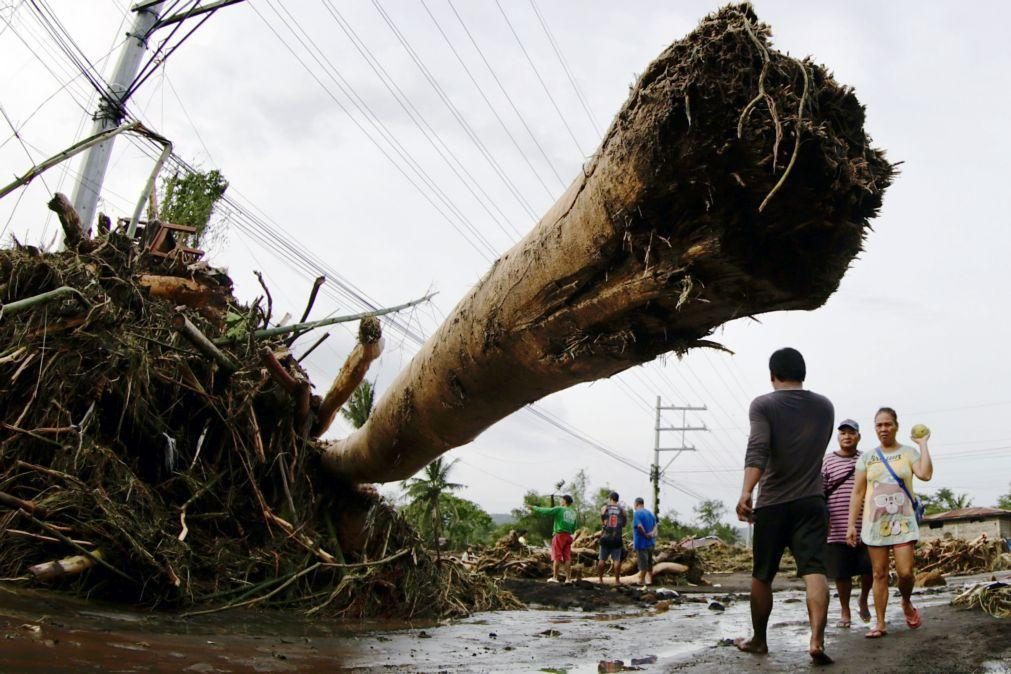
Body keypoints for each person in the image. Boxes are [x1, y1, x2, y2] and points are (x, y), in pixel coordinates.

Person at [734, 347, 835, 665]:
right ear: (803, 373)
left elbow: (758, 448)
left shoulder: (763, 404)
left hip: (774, 502)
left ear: (772, 375)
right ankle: (817, 640)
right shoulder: (825, 407)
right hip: (812, 501)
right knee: (815, 570)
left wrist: (746, 491)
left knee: (762, 574)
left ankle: (759, 640)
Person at [846, 407, 933, 639]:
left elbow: (925, 474)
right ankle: (881, 623)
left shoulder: (908, 452)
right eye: (879, 425)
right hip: (874, 523)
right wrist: (851, 524)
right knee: (879, 574)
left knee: (905, 573)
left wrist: (923, 444)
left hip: (903, 522)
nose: (883, 429)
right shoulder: (867, 458)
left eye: (887, 424)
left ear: (896, 426)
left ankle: (905, 601)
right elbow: (857, 493)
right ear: (874, 428)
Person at [822, 418, 873, 628]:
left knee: (869, 568)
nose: (847, 436)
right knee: (841, 573)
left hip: (866, 524)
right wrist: (823, 520)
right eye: (843, 433)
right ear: (838, 437)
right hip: (836, 526)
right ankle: (845, 610)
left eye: (851, 433)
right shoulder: (826, 460)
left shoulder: (868, 459)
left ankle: (863, 599)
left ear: (858, 437)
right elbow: (820, 491)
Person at [528, 495, 578, 583]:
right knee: (567, 558)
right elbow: (574, 528)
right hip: (568, 536)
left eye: (561, 500)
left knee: (557, 556)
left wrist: (534, 507)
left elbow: (546, 511)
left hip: (559, 535)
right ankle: (568, 579)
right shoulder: (573, 513)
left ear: (564, 501)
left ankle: (555, 577)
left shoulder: (560, 509)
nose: (560, 502)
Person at [597, 491, 626, 586]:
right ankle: (617, 581)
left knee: (602, 559)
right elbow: (624, 524)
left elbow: (602, 521)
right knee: (617, 560)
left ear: (610, 498)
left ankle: (600, 580)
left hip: (605, 537)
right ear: (617, 499)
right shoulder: (622, 510)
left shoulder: (604, 508)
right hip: (617, 537)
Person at [632, 497, 658, 586]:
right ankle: (649, 581)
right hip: (651, 543)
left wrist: (645, 535)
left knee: (643, 564)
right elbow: (655, 527)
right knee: (649, 564)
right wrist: (651, 534)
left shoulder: (637, 514)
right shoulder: (650, 514)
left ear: (636, 504)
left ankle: (640, 581)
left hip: (641, 543)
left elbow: (639, 526)